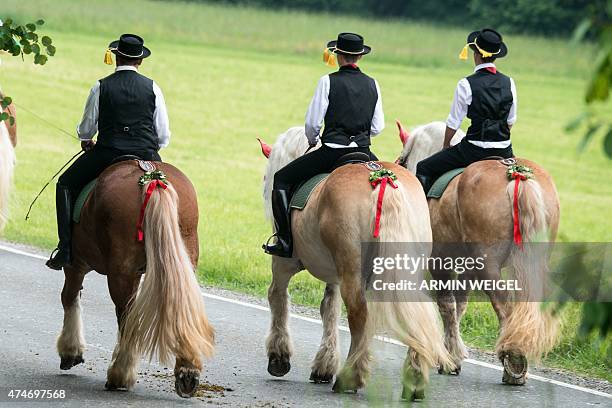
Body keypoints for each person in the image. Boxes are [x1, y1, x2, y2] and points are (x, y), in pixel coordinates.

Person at [45, 34, 171, 270]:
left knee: (64, 183)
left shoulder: (101, 86)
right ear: (140, 61)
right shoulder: (153, 87)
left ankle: (65, 249)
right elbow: (163, 134)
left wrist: (85, 140)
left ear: (116, 57)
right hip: (147, 155)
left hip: (108, 153)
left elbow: (86, 128)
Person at [262, 32, 384, 258]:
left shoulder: (327, 81)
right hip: (365, 153)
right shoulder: (373, 84)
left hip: (332, 153)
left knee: (281, 179)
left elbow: (312, 123)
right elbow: (378, 127)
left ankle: (285, 242)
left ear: (338, 55)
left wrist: (312, 140)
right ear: (359, 57)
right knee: (387, 185)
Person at [415, 28, 517, 193]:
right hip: (504, 150)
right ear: (495, 56)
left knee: (424, 167)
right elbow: (510, 121)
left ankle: (425, 215)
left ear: (476, 54)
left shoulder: (466, 84)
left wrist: (446, 145)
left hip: (473, 151)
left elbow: (454, 122)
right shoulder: (509, 82)